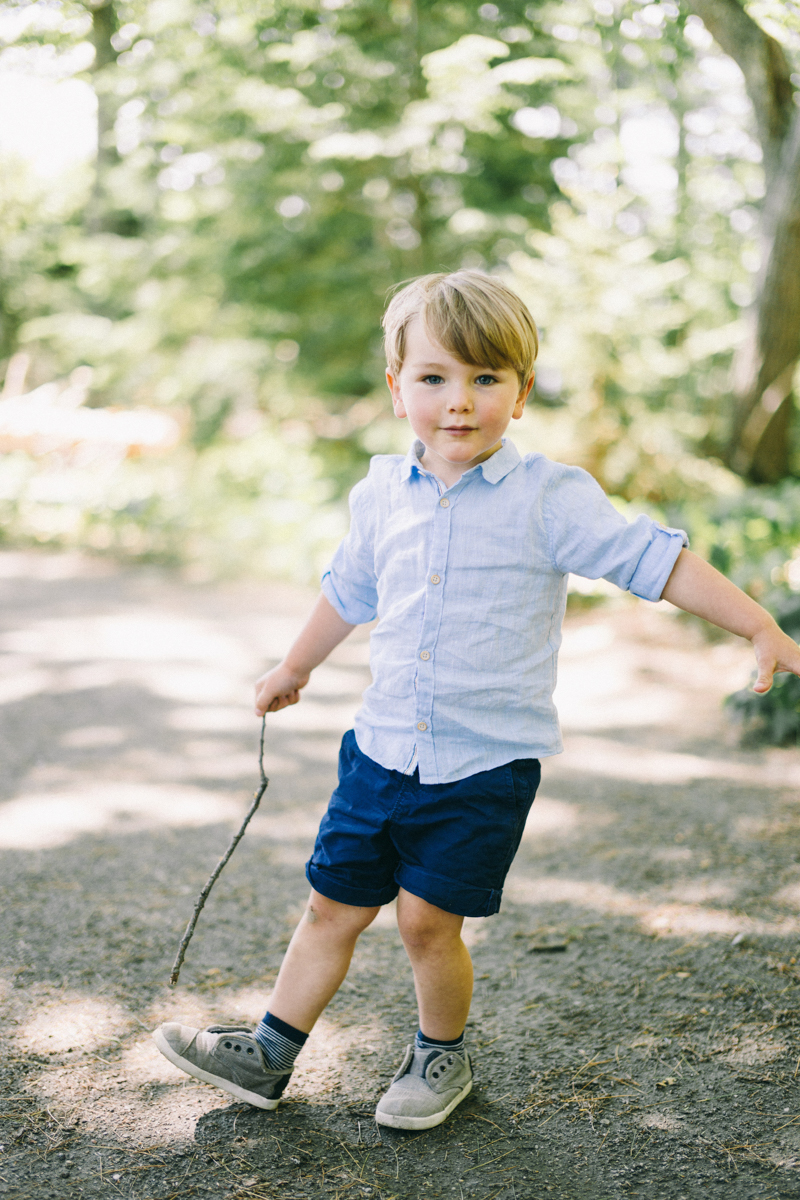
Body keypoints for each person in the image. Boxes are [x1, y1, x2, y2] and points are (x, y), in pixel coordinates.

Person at [154, 271, 800, 1131]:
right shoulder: (381, 493)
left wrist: (757, 624)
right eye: (434, 378)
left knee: (426, 925)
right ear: (397, 390)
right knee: (330, 906)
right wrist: (294, 666)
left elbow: (657, 561)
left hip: (482, 766)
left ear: (522, 392)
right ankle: (270, 1053)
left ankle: (439, 1058)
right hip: (379, 753)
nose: (459, 402)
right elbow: (348, 590)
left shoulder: (551, 499)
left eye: (485, 379)